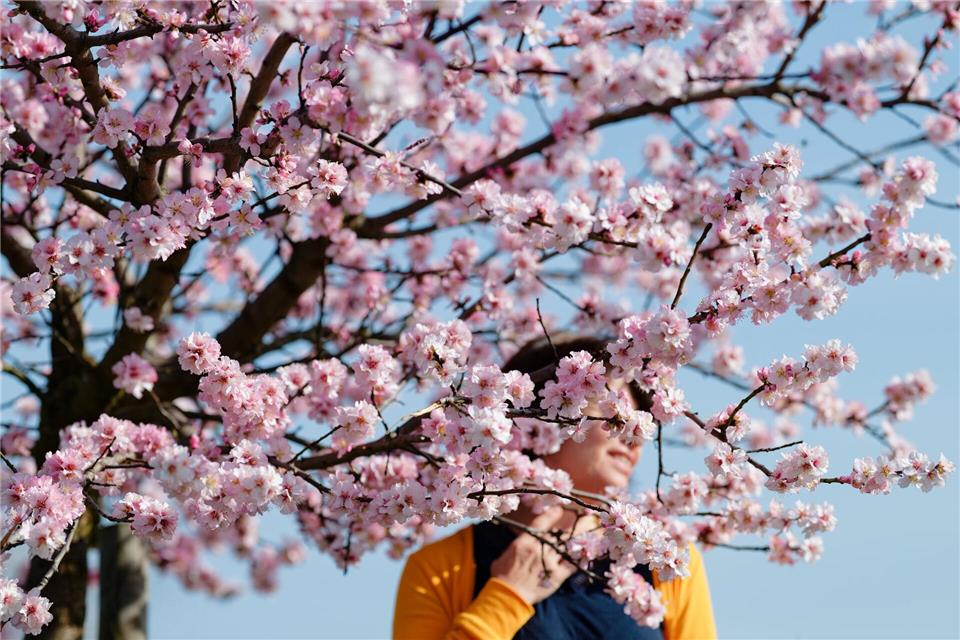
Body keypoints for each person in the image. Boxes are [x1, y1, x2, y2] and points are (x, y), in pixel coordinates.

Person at [392, 336, 718, 640]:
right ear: (536, 416)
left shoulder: (666, 561)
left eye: (636, 421)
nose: (632, 435)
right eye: (611, 410)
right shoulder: (441, 570)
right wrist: (507, 597)